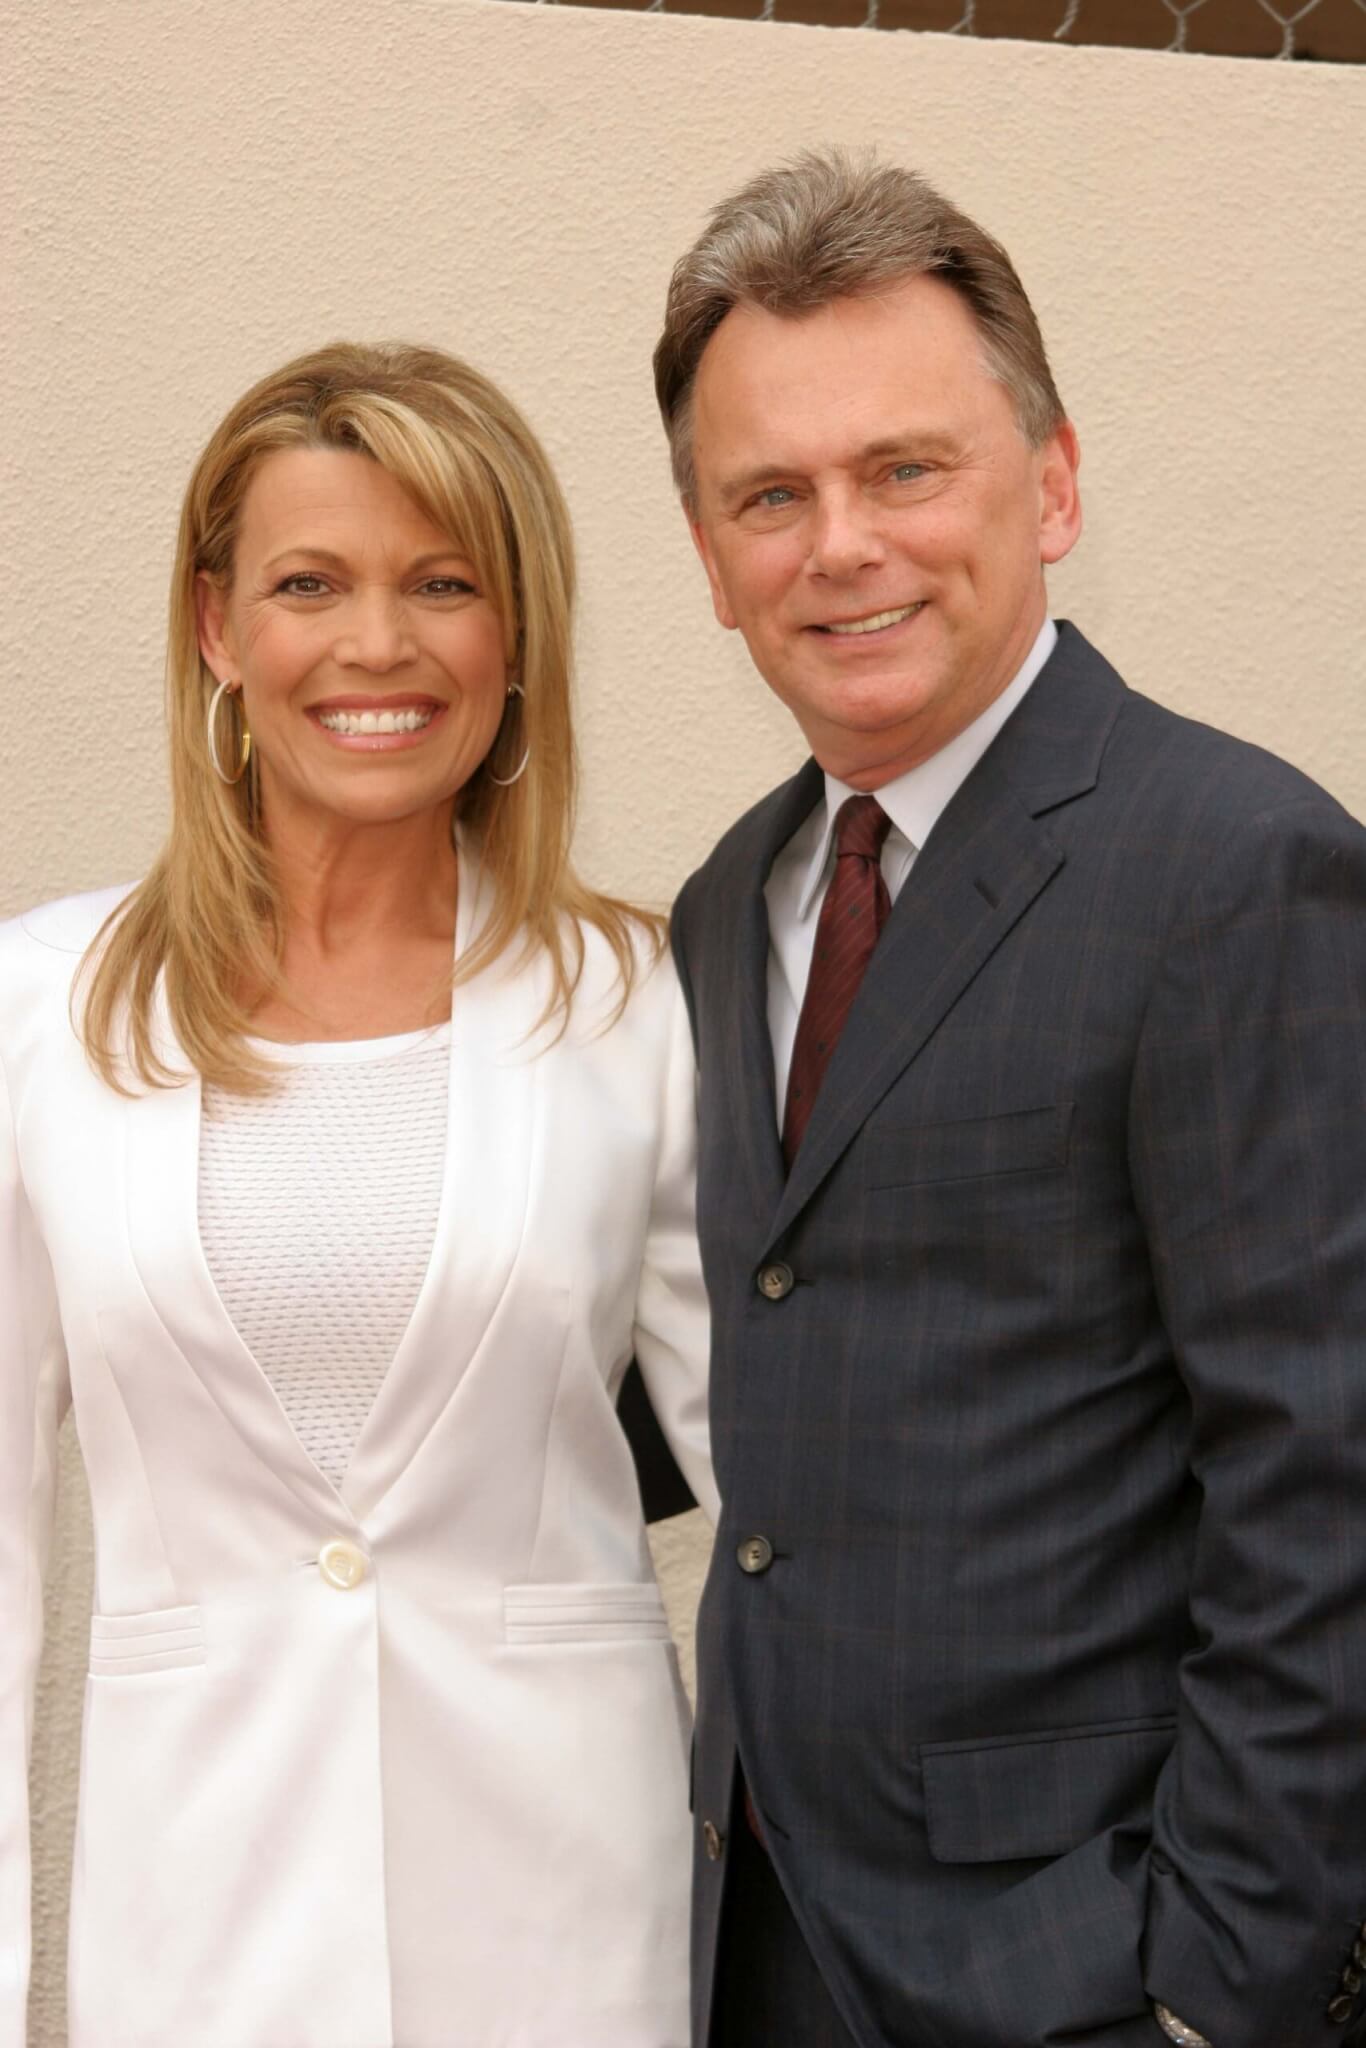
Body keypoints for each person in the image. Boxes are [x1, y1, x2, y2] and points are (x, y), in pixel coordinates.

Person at [654, 150, 1366, 2048]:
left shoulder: (1235, 864)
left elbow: (1326, 1482)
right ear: (711, 560)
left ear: (1048, 485)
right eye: (770, 496)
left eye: (906, 468)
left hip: (1092, 1961)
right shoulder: (730, 902)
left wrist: (1221, 1988)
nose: (842, 543)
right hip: (765, 1931)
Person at [0, 341, 716, 2048]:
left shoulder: (646, 1006)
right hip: (195, 1933)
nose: (377, 646)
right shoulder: (35, 1008)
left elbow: (779, 1503)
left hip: (567, 1931)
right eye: (308, 583)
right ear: (215, 628)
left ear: (517, 635)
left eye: (443, 584)